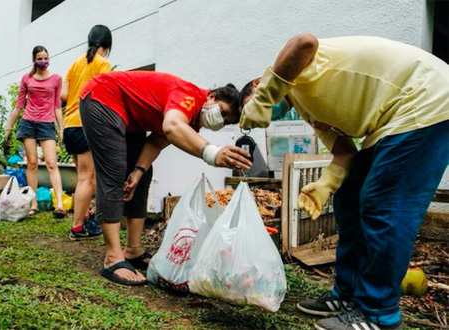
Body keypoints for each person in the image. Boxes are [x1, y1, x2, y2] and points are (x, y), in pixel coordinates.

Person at [239, 34, 449, 330]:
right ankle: (347, 293)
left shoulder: (297, 72)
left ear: (261, 85)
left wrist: (262, 99)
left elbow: (303, 42)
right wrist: (325, 185)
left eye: (254, 107)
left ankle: (378, 314)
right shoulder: (307, 109)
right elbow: (344, 151)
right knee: (349, 197)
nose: (265, 117)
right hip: (391, 121)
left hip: (426, 101)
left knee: (383, 205)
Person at [80, 70, 252, 286]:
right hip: (102, 96)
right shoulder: (190, 95)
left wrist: (139, 171)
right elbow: (170, 127)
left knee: (142, 174)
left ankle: (133, 249)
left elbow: (156, 142)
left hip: (129, 116)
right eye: (223, 112)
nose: (221, 121)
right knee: (114, 171)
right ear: (211, 96)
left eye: (227, 122)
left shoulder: (192, 121)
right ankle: (113, 258)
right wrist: (212, 153)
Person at [60, 25, 112, 240]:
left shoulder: (75, 63)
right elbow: (105, 96)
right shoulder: (102, 64)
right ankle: (77, 227)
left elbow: (63, 95)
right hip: (86, 125)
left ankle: (85, 218)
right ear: (107, 45)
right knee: (86, 179)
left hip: (70, 126)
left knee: (83, 178)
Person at [5, 45, 66, 217]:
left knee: (51, 163)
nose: (43, 61)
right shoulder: (27, 78)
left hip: (47, 124)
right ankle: (34, 203)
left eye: (45, 58)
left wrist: (61, 130)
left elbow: (57, 106)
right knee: (31, 164)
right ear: (34, 60)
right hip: (29, 123)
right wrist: (8, 128)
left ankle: (59, 203)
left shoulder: (56, 79)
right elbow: (19, 105)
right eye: (39, 58)